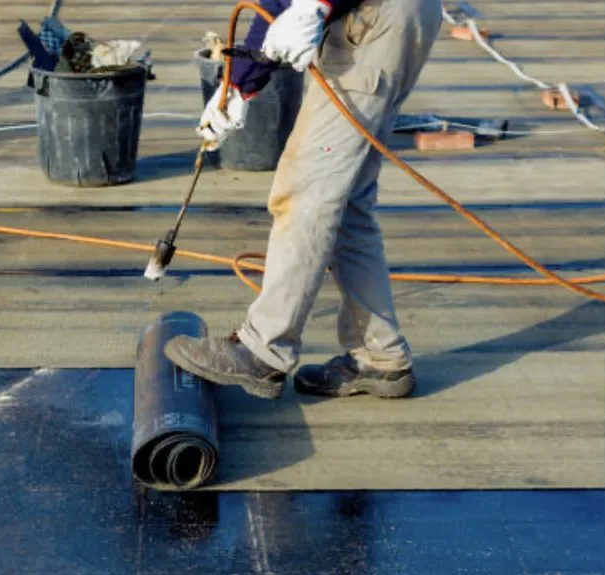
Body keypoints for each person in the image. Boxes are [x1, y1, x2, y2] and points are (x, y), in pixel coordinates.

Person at [165, 0, 443, 400]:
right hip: (403, 14)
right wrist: (241, 84)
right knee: (346, 199)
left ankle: (264, 350)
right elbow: (274, 5)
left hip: (375, 18)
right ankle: (379, 355)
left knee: (305, 189)